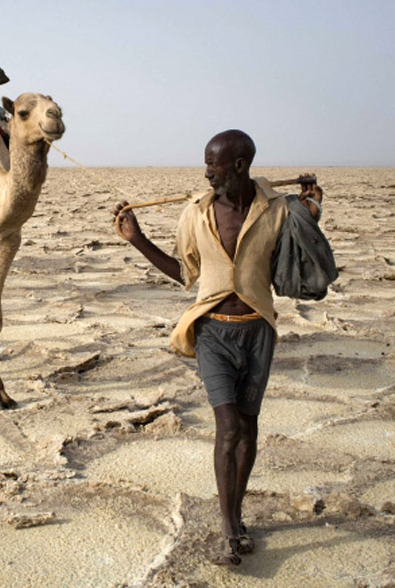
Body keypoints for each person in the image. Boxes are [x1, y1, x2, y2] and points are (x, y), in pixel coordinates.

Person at [112, 129, 323, 566]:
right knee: (228, 426)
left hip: (258, 331)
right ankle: (229, 529)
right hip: (212, 333)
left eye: (215, 164)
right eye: (206, 163)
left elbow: (298, 259)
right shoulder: (195, 213)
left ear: (240, 166)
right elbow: (184, 273)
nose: (207, 172)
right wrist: (137, 239)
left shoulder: (278, 210)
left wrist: (312, 208)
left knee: (248, 426)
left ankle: (238, 513)